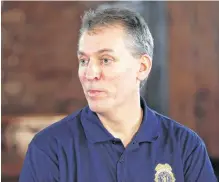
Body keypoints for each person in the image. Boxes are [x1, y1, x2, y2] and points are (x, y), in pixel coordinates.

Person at [19, 5, 217, 182]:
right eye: (83, 60)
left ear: (142, 67)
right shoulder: (49, 149)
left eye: (105, 60)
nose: (90, 74)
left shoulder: (185, 147)